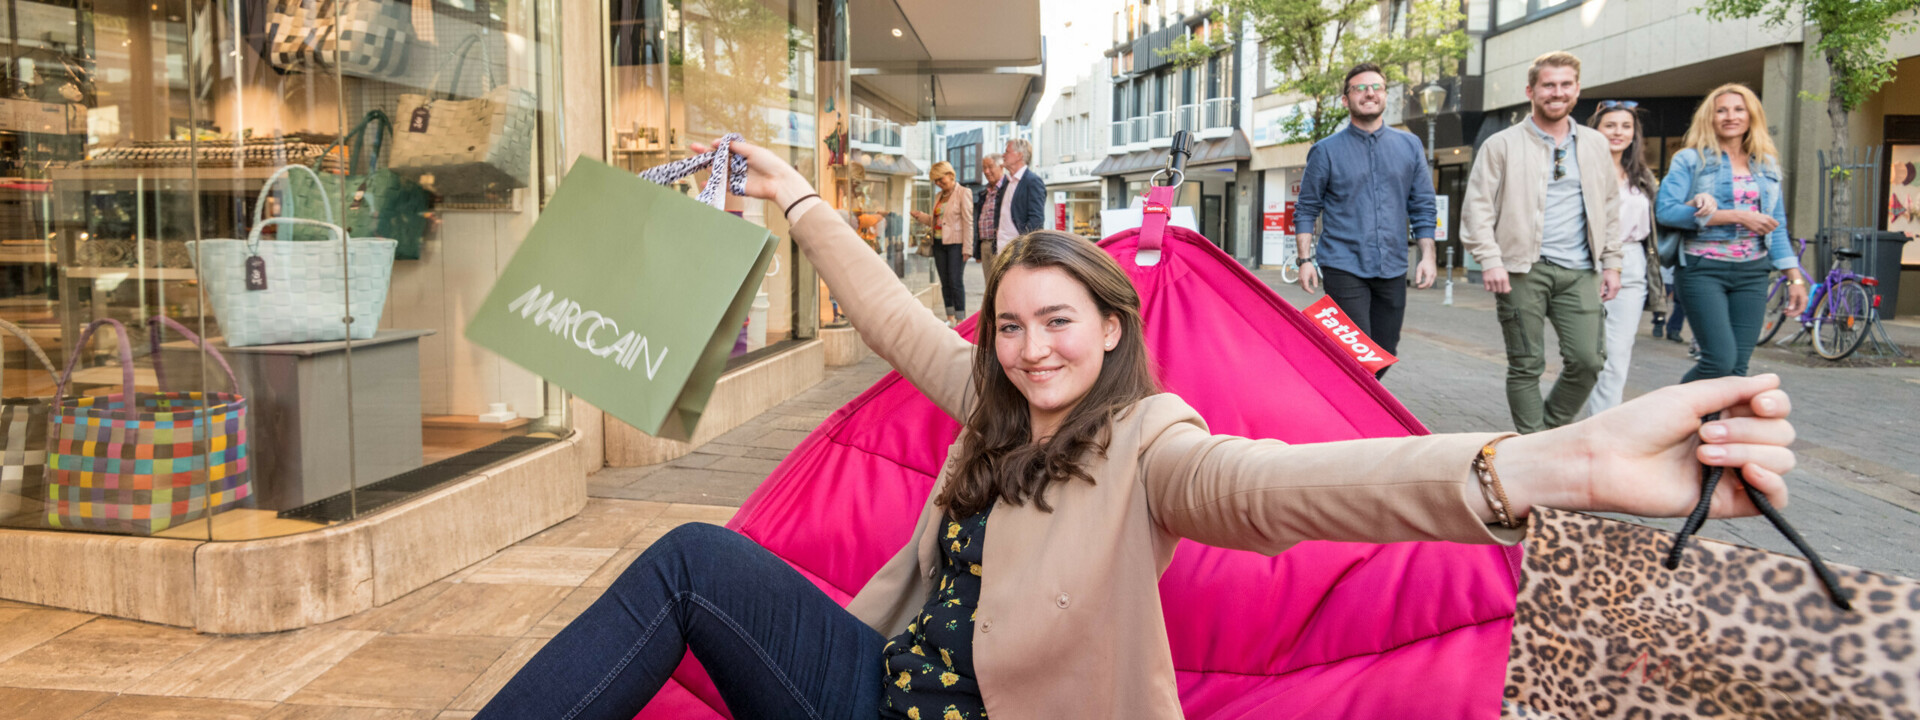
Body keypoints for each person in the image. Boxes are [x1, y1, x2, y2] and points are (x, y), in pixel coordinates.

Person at [474, 137, 1801, 720]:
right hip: (871, 693)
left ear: (1111, 330)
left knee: (687, 565)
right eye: (1010, 326)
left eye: (1059, 323)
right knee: (692, 563)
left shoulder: (1156, 448)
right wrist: (797, 201)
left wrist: (1561, 463)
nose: (1031, 348)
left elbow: (1309, 487)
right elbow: (888, 316)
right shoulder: (992, 403)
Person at [1460, 51, 1622, 434]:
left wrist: (1612, 262)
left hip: (1580, 270)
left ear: (1577, 90)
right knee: (1526, 364)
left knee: (1589, 361)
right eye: (1548, 85)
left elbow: (1609, 206)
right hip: (1521, 269)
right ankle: (1533, 448)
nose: (1557, 92)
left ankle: (1543, 435)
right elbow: (1477, 207)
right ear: (1530, 91)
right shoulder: (1501, 144)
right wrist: (1490, 259)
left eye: (1565, 85)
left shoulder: (1595, 144)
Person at [1293, 62, 1438, 379]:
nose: (1369, 93)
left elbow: (1423, 206)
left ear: (1385, 95)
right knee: (1356, 354)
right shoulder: (1325, 151)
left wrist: (1428, 256)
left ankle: (1338, 397)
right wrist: (1304, 260)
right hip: (1343, 265)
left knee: (1384, 352)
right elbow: (1306, 208)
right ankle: (1345, 407)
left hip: (1393, 265)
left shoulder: (1410, 145)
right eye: (1360, 88)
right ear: (1346, 100)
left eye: (1376, 87)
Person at [1656, 84, 1809, 382]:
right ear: (1709, 118)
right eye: (1721, 110)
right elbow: (1666, 211)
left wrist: (1795, 279)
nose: (1731, 116)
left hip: (1753, 272)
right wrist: (1735, 216)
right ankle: (1671, 410)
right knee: (1719, 361)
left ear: (1751, 116)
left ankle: (1713, 416)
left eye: (1739, 109)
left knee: (1738, 370)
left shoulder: (1765, 163)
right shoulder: (1690, 159)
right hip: (1702, 269)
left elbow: (1776, 224)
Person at [1579, 100, 1658, 416]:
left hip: (1631, 262)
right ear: (1595, 130)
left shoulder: (1642, 175)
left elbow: (1663, 216)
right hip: (1586, 261)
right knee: (1584, 354)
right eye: (1610, 125)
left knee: (1617, 352)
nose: (1618, 132)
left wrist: (1698, 202)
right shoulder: (1581, 171)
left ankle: (1603, 423)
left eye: (1626, 126)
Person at [910, 161, 975, 325]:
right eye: (936, 181)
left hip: (956, 244)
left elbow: (968, 222)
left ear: (950, 175)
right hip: (938, 243)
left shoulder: (963, 192)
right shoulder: (939, 196)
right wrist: (920, 216)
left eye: (941, 179)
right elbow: (937, 221)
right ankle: (950, 317)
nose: (938, 183)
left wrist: (967, 248)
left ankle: (960, 319)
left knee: (955, 281)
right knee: (945, 282)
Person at [997, 138, 1047, 242]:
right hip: (1001, 247)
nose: (1003, 155)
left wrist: (1024, 245)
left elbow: (1036, 220)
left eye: (1007, 152)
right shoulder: (1006, 182)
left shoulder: (1033, 182)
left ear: (1019, 155)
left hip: (1018, 248)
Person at [977, 154, 1005, 264]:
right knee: (988, 276)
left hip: (1001, 244)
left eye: (990, 167)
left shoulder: (1007, 188)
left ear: (1001, 167)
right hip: (984, 244)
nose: (986, 171)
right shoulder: (984, 192)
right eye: (984, 168)